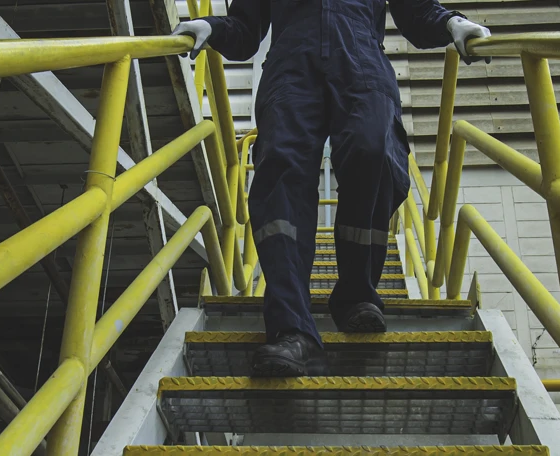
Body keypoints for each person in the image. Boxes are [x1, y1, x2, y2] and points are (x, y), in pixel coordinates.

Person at [173, 0, 489, 377]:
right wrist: (209, 27)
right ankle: (291, 330)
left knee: (374, 153)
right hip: (291, 64)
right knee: (280, 169)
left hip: (361, 58)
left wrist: (453, 24)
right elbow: (244, 30)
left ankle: (357, 293)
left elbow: (416, 13)